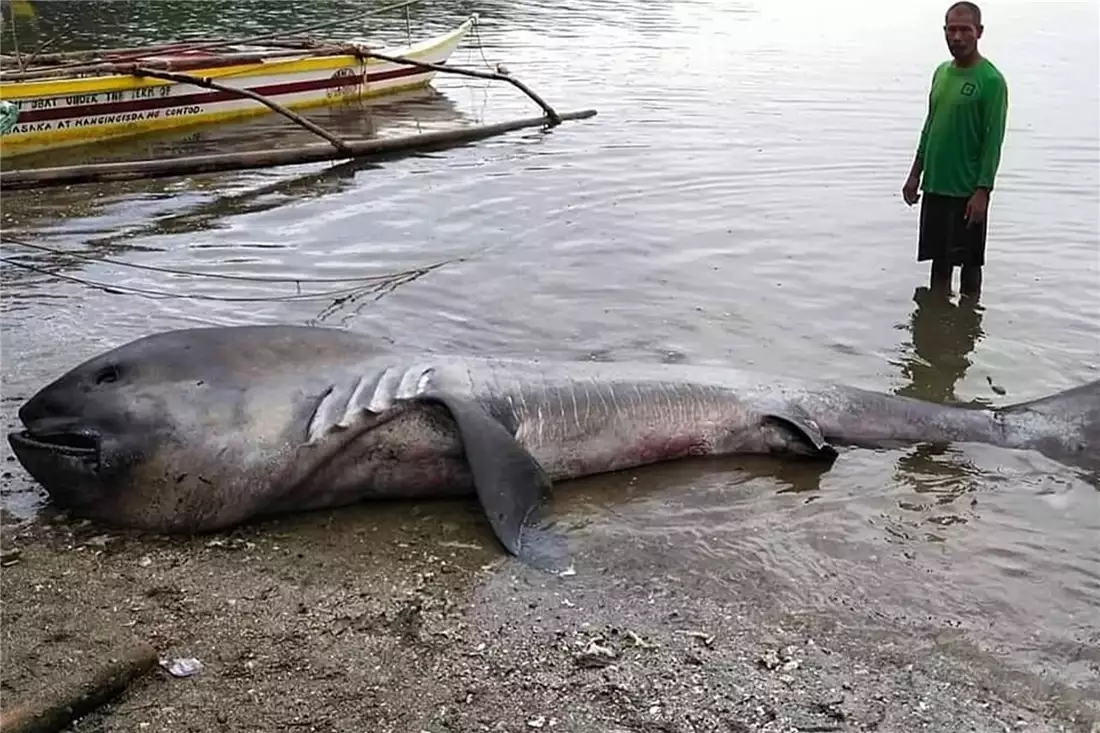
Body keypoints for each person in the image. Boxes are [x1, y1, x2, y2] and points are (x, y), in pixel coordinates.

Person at [902, 1, 1009, 300]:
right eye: (952, 30)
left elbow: (993, 142)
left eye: (965, 30)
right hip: (936, 184)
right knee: (939, 263)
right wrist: (914, 174)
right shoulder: (941, 73)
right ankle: (936, 327)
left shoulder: (991, 81)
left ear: (979, 32)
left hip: (966, 191)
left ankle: (968, 325)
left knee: (970, 266)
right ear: (944, 31)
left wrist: (983, 191)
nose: (958, 37)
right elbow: (930, 125)